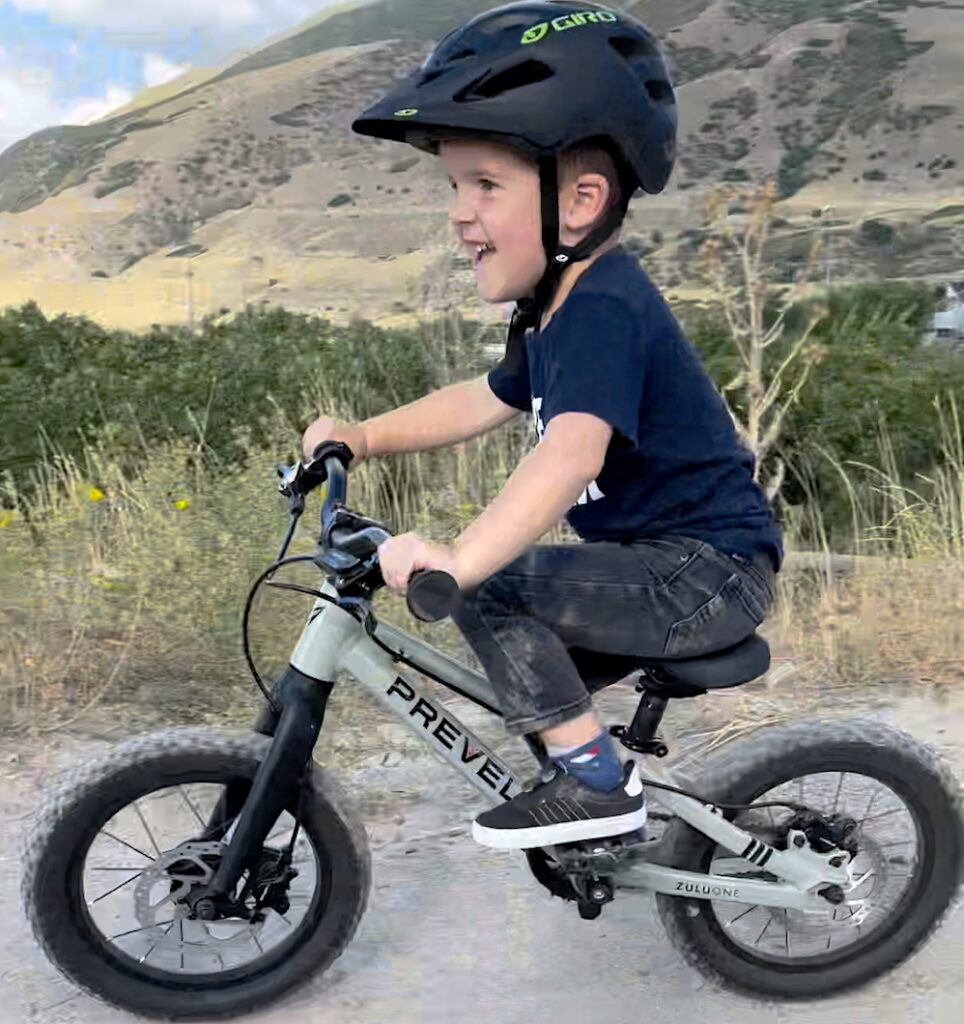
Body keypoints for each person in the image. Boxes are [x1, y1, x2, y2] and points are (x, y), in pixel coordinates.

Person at [303, 1, 783, 851]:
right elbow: (485, 398)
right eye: (455, 185)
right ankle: (599, 807)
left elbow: (571, 451)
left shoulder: (602, 304)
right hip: (660, 566)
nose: (459, 210)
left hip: (705, 572)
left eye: (485, 184)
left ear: (580, 201)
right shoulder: (549, 312)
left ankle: (599, 789)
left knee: (492, 590)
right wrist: (361, 435)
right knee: (514, 665)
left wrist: (461, 560)